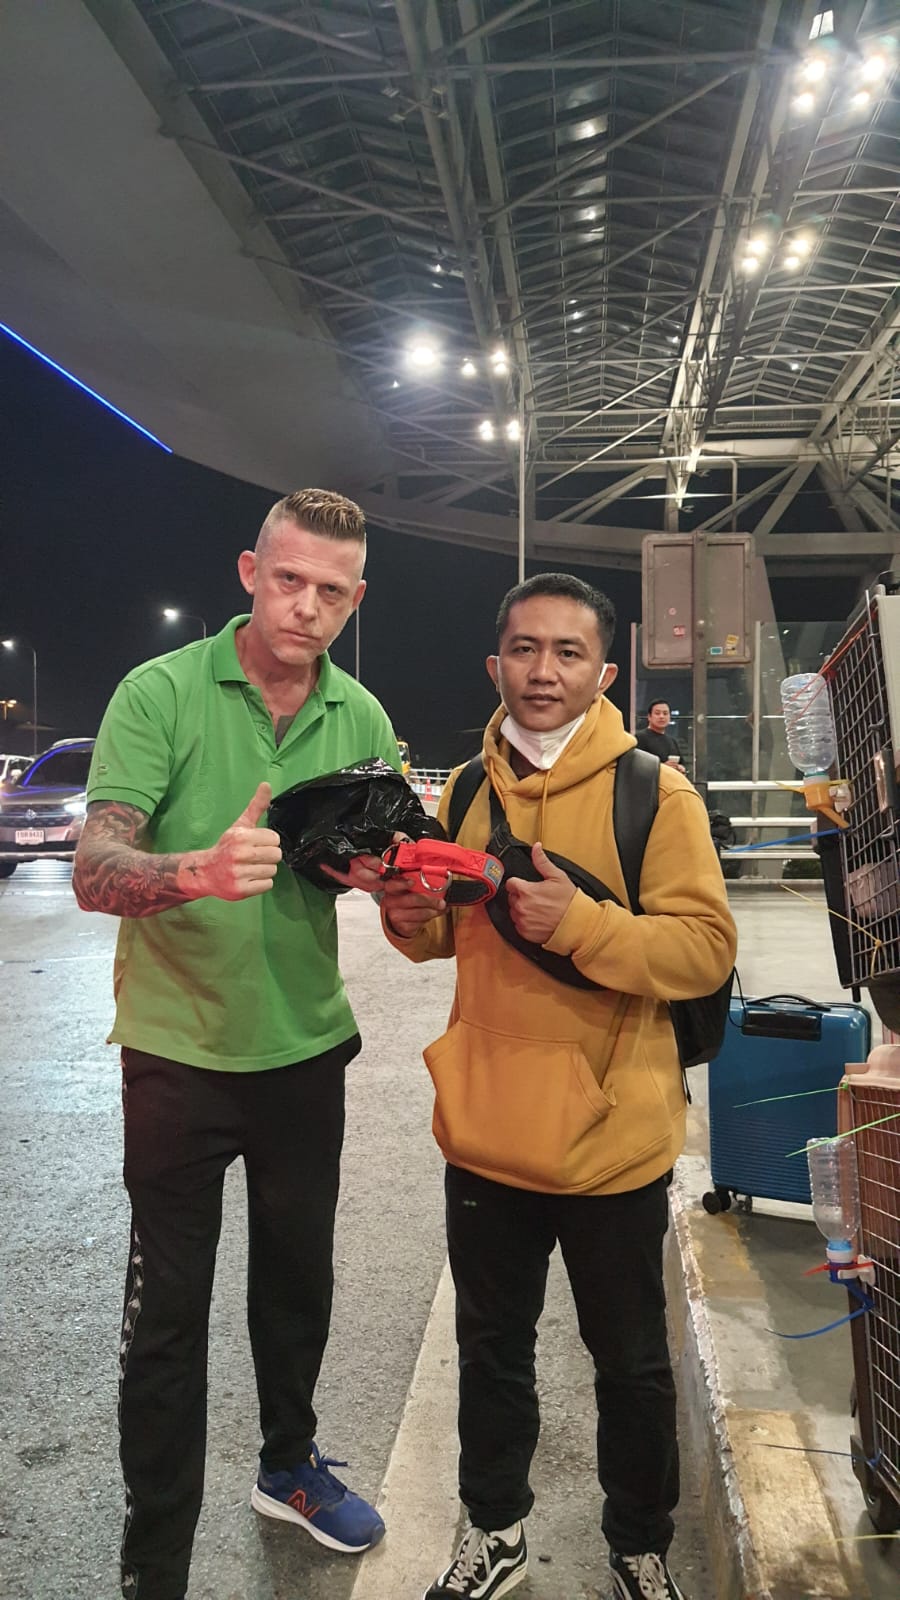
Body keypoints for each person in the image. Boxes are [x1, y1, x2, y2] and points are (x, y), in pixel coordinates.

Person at [379, 573, 736, 1600]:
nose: (544, 671)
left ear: (604, 672)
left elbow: (704, 950)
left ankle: (639, 1545)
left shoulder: (653, 793)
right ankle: (493, 1532)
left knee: (630, 1363)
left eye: (568, 652)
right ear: (495, 663)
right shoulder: (465, 789)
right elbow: (442, 938)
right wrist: (407, 915)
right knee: (489, 1354)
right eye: (526, 649)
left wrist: (578, 924)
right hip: (487, 1129)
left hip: (612, 1140)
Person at [72, 489, 396, 1600]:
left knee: (298, 1284)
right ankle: (155, 1556)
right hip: (176, 1054)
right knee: (168, 1315)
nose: (306, 606)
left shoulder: (361, 715)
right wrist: (193, 872)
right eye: (289, 579)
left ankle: (288, 1468)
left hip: (306, 1047)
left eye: (331, 591)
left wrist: (388, 882)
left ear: (356, 600)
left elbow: (371, 872)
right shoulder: (159, 692)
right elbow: (93, 868)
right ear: (251, 572)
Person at [635, 699, 684, 767]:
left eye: (665, 713)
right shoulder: (640, 738)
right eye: (657, 713)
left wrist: (681, 768)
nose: (661, 716)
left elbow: (682, 763)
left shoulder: (672, 741)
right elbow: (636, 765)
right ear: (649, 717)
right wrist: (663, 767)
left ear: (670, 717)